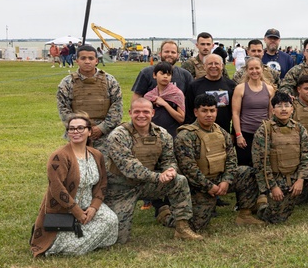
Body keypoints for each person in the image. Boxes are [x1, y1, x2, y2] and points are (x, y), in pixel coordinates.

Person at [104, 98, 199, 242]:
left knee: (179, 181)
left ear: (152, 113)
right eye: (137, 112)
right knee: (118, 239)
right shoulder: (118, 136)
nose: (141, 115)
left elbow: (169, 158)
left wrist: (170, 170)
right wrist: (158, 177)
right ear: (130, 113)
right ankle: (162, 213)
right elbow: (130, 167)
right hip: (121, 189)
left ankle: (182, 228)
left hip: (147, 184)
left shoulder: (162, 134)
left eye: (146, 112)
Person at [30, 113, 119, 256]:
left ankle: (82, 235)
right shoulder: (59, 156)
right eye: (71, 129)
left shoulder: (96, 155)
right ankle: (60, 241)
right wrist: (77, 212)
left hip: (88, 203)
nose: (75, 131)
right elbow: (57, 189)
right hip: (65, 207)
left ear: (89, 132)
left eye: (80, 128)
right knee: (75, 249)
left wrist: (94, 207)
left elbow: (102, 183)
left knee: (111, 221)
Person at [251, 91, 308, 223]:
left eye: (287, 105)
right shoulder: (264, 131)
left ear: (292, 109)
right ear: (273, 110)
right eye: (279, 106)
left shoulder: (299, 128)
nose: (283, 109)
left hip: (297, 174)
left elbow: (307, 157)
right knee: (276, 219)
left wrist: (301, 179)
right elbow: (260, 164)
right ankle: (262, 204)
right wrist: (273, 187)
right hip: (278, 179)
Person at [175, 94, 264, 228]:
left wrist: (226, 181)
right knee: (197, 225)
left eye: (212, 110)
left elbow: (231, 159)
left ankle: (245, 215)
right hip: (198, 185)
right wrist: (209, 187)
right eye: (204, 111)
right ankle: (166, 215)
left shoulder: (221, 132)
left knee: (248, 173)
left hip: (220, 179)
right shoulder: (185, 136)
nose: (209, 114)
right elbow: (189, 169)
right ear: (196, 112)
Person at [56, 44, 124, 152]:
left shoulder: (110, 81)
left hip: (106, 136)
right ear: (77, 61)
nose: (87, 61)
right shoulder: (67, 83)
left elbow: (117, 107)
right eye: (83, 58)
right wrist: (81, 129)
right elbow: (63, 110)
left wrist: (102, 128)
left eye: (91, 58)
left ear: (96, 61)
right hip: (78, 135)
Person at [231, 57, 274, 167]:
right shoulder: (240, 89)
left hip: (263, 134)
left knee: (263, 165)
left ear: (262, 69)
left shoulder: (269, 89)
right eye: (251, 69)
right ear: (247, 70)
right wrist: (238, 135)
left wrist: (271, 133)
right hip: (245, 134)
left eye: (257, 68)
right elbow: (235, 113)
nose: (254, 71)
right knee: (245, 166)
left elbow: (271, 114)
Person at [185, 54, 237, 132]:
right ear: (204, 66)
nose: (213, 66)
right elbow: (189, 112)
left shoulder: (231, 85)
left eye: (216, 63)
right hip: (199, 132)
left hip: (224, 132)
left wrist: (234, 133)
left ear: (222, 66)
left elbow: (235, 112)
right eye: (210, 63)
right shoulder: (194, 86)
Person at [137, 62, 185, 138]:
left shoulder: (177, 94)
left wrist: (165, 104)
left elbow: (181, 118)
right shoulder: (149, 96)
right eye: (162, 74)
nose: (165, 76)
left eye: (168, 74)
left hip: (171, 134)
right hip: (152, 135)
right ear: (154, 75)